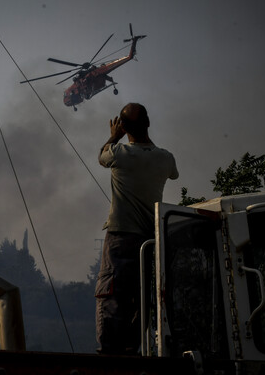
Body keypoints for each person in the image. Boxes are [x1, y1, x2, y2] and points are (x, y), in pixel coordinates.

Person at [95, 102, 179, 355]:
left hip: (121, 236)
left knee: (110, 293)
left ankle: (109, 353)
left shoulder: (118, 153)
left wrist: (113, 135)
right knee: (140, 298)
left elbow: (101, 157)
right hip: (150, 239)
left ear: (123, 127)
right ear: (148, 123)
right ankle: (132, 348)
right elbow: (174, 175)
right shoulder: (166, 158)